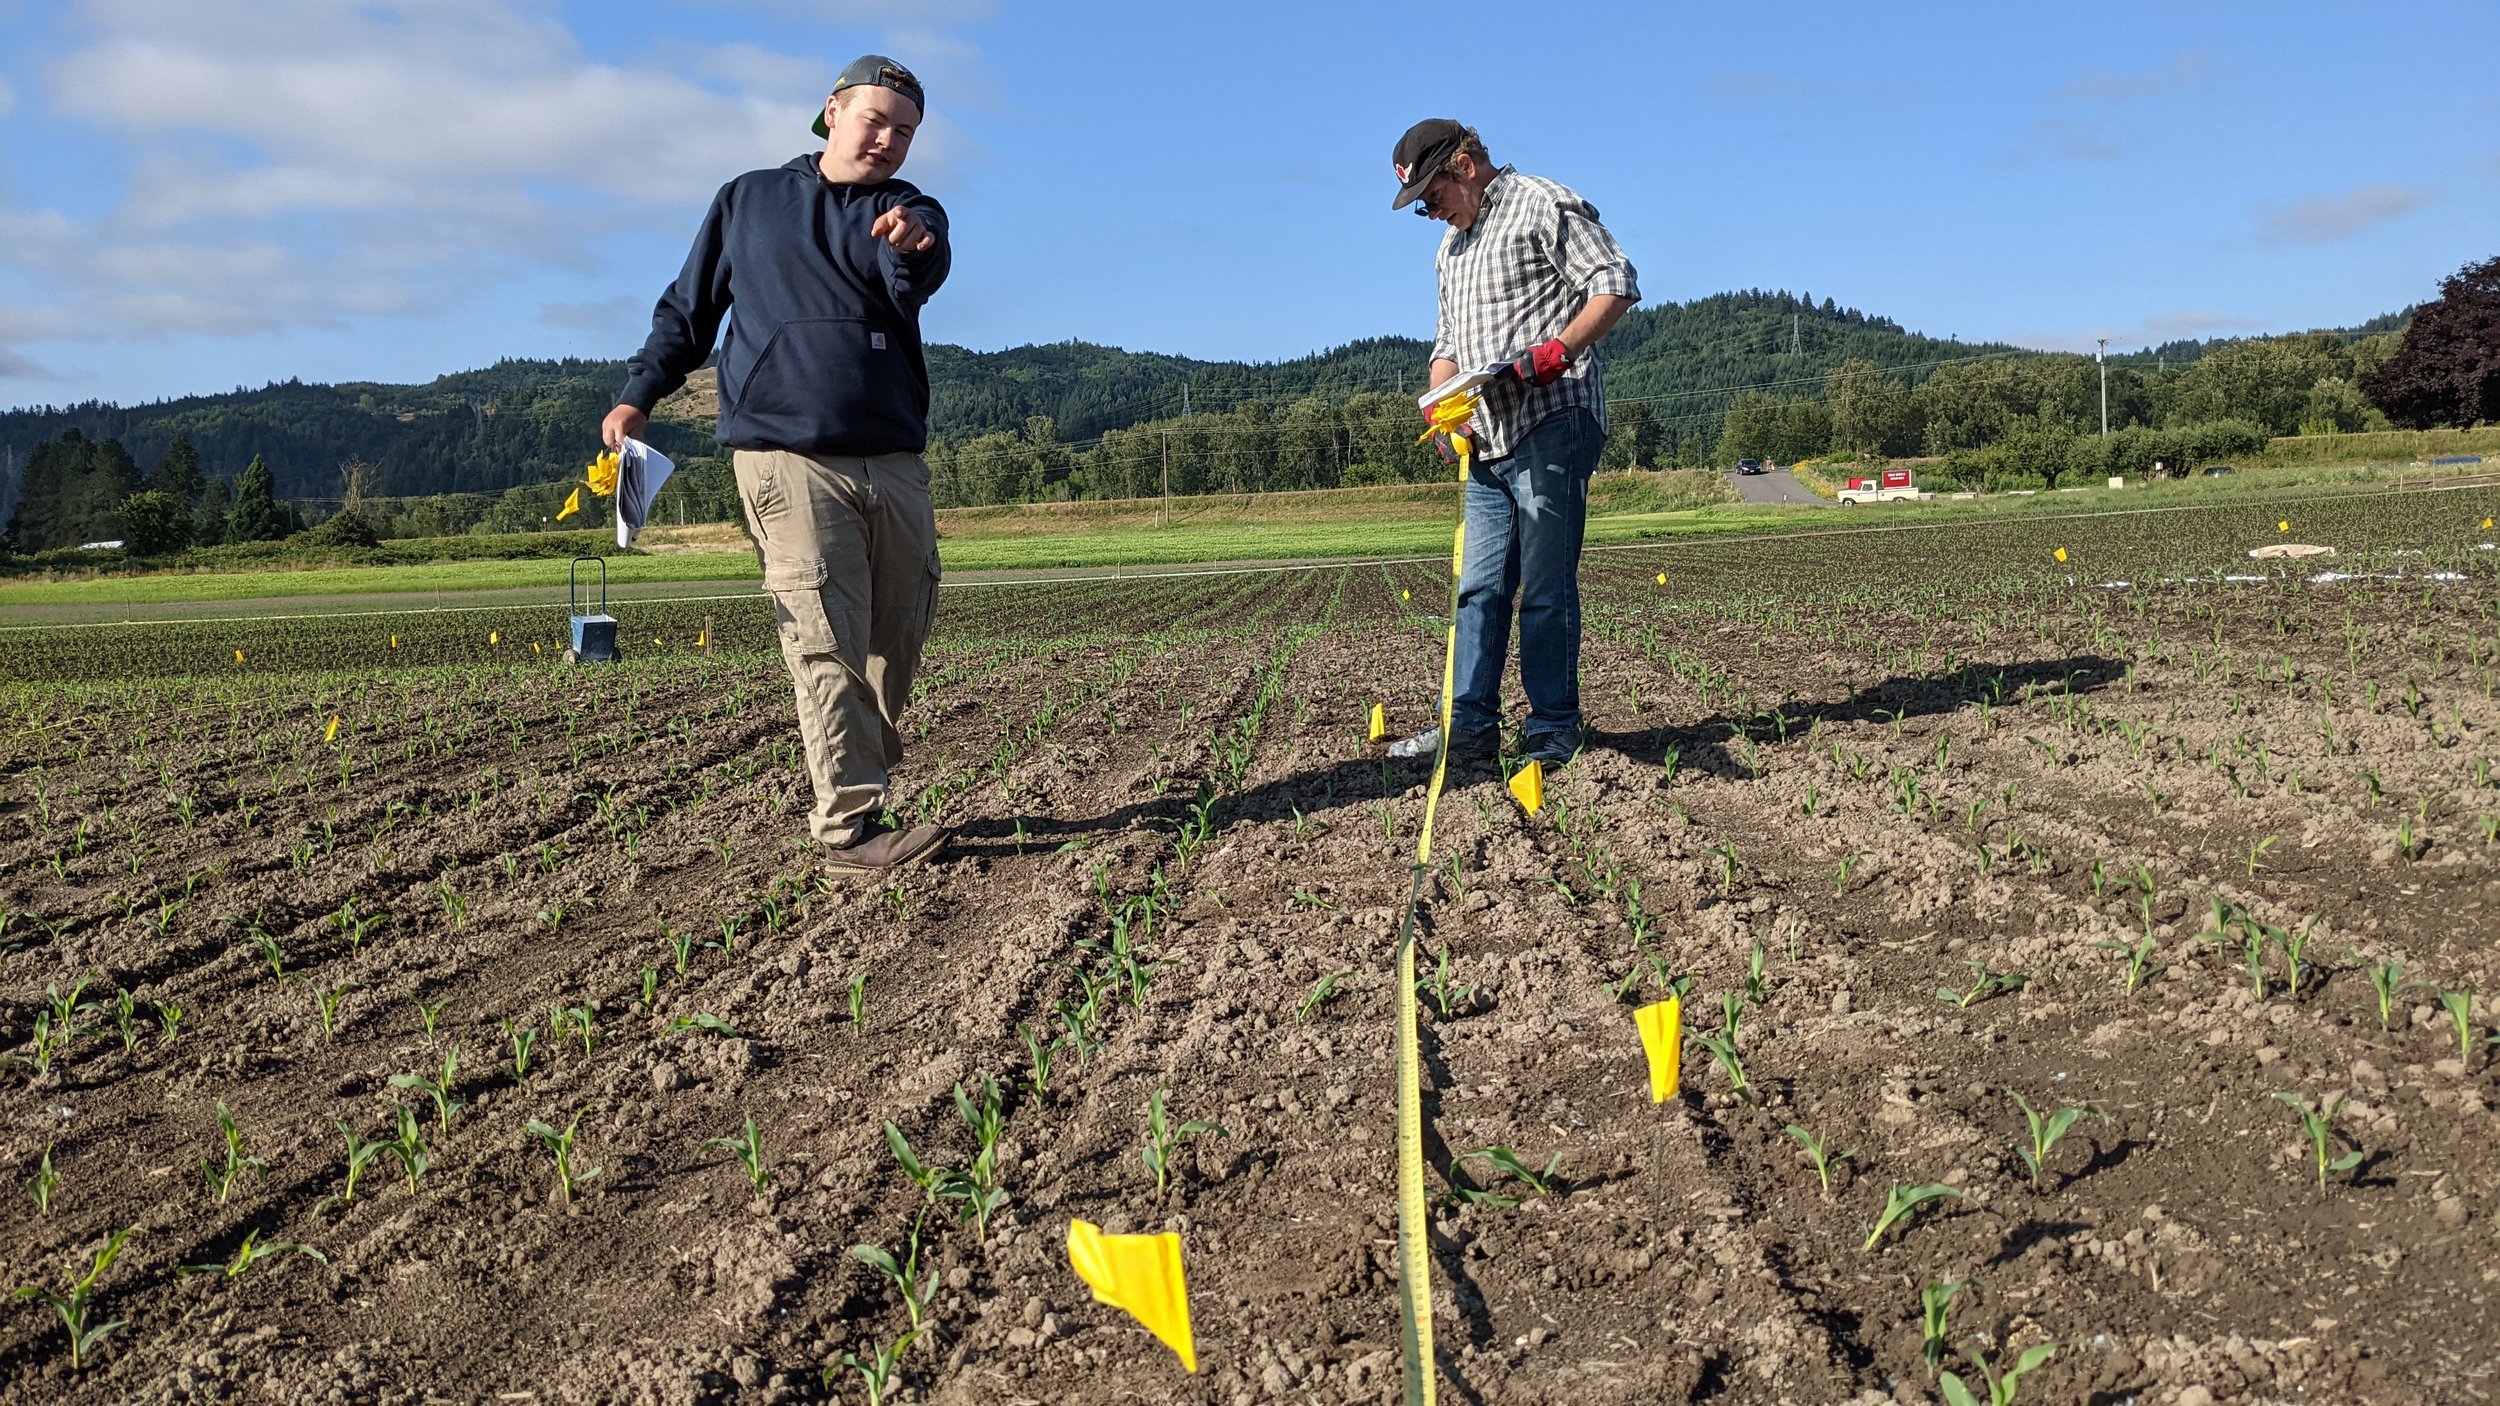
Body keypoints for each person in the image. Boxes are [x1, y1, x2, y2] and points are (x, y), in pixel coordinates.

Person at [603, 55, 950, 873]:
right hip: (785, 456)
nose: (888, 140)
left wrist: (913, 244)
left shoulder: (908, 206)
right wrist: (637, 395)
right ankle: (849, 831)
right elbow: (688, 314)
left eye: (905, 131)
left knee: (899, 630)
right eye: (875, 120)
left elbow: (922, 268)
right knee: (824, 638)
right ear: (832, 111)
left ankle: (857, 766)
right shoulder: (749, 200)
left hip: (892, 455)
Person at [1392, 118, 1639, 768]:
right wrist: (1446, 412)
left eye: (1431, 193)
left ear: (1464, 164)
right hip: (1488, 441)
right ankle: (1468, 732)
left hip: (1552, 420)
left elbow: (1615, 281)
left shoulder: (1540, 202)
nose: (1428, 209)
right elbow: (1447, 349)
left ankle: (1553, 727)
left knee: (1545, 584)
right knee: (1478, 589)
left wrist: (1559, 351)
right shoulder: (1450, 250)